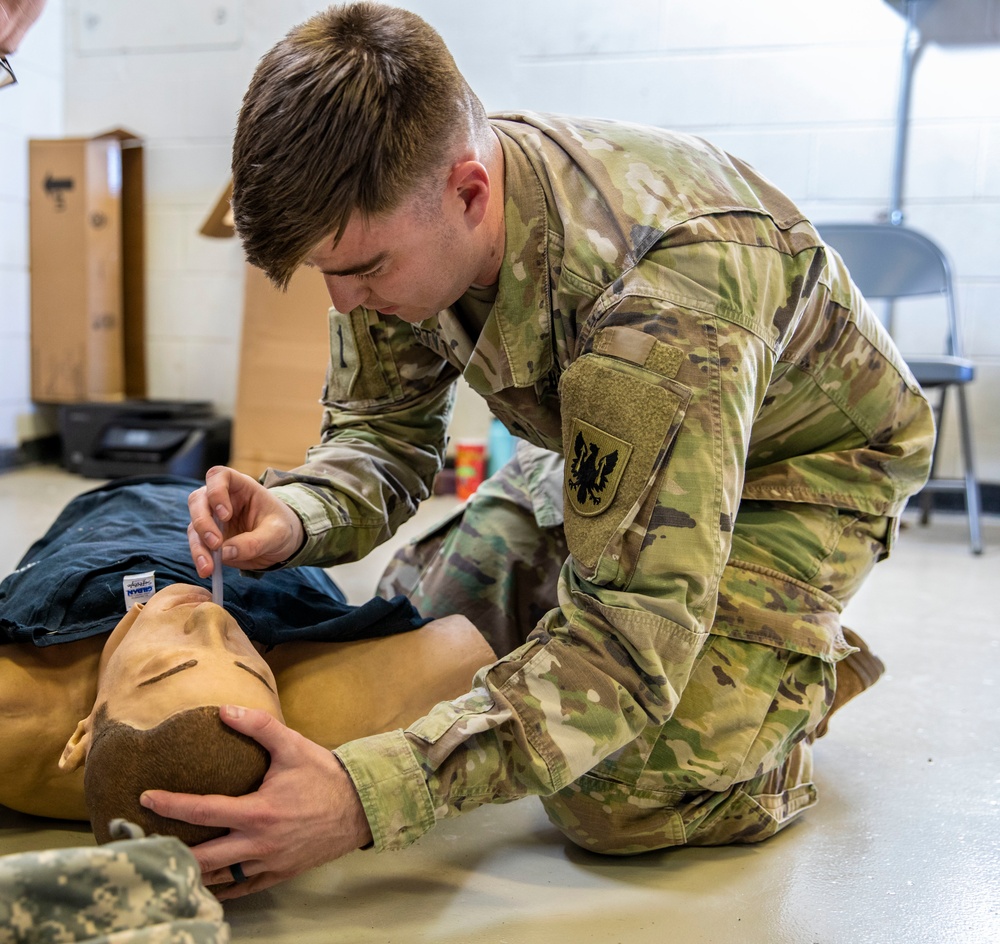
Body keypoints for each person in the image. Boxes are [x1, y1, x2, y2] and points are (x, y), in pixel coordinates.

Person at [165, 2, 935, 899]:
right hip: (609, 438)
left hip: (799, 473)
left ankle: (793, 679)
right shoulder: (406, 222)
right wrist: (295, 514)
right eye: (327, 272)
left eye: (365, 269)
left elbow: (623, 647)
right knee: (417, 633)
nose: (344, 303)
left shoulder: (666, 295)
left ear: (470, 193)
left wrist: (363, 800)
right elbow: (381, 434)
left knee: (616, 792)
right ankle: (617, 598)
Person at [0, 476, 495, 844]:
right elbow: (464, 654)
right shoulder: (324, 707)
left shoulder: (17, 712)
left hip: (112, 505)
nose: (213, 622)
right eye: (253, 664)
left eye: (164, 667)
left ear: (82, 734)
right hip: (254, 524)